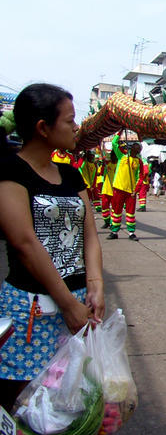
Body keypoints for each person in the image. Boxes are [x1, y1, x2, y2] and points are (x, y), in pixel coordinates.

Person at [0, 83, 104, 411]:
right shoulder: (10, 172)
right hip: (30, 307)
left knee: (67, 402)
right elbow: (25, 243)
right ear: (43, 128)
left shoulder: (72, 176)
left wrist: (95, 287)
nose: (77, 127)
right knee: (22, 404)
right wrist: (67, 304)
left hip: (77, 303)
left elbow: (90, 235)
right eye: (69, 120)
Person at [107, 132, 141, 241]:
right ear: (131, 149)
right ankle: (114, 232)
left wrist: (136, 190)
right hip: (119, 189)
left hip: (131, 191)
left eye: (138, 149)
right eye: (134, 148)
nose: (135, 150)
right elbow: (114, 143)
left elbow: (139, 177)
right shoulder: (122, 156)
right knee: (116, 211)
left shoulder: (138, 162)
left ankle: (131, 233)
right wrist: (119, 133)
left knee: (130, 213)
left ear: (139, 151)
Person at [100, 150, 117, 228]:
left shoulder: (119, 165)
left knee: (114, 208)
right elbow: (101, 173)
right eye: (112, 155)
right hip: (106, 188)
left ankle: (112, 223)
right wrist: (103, 165)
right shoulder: (107, 163)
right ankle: (106, 221)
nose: (113, 157)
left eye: (114, 155)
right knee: (104, 206)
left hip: (115, 189)